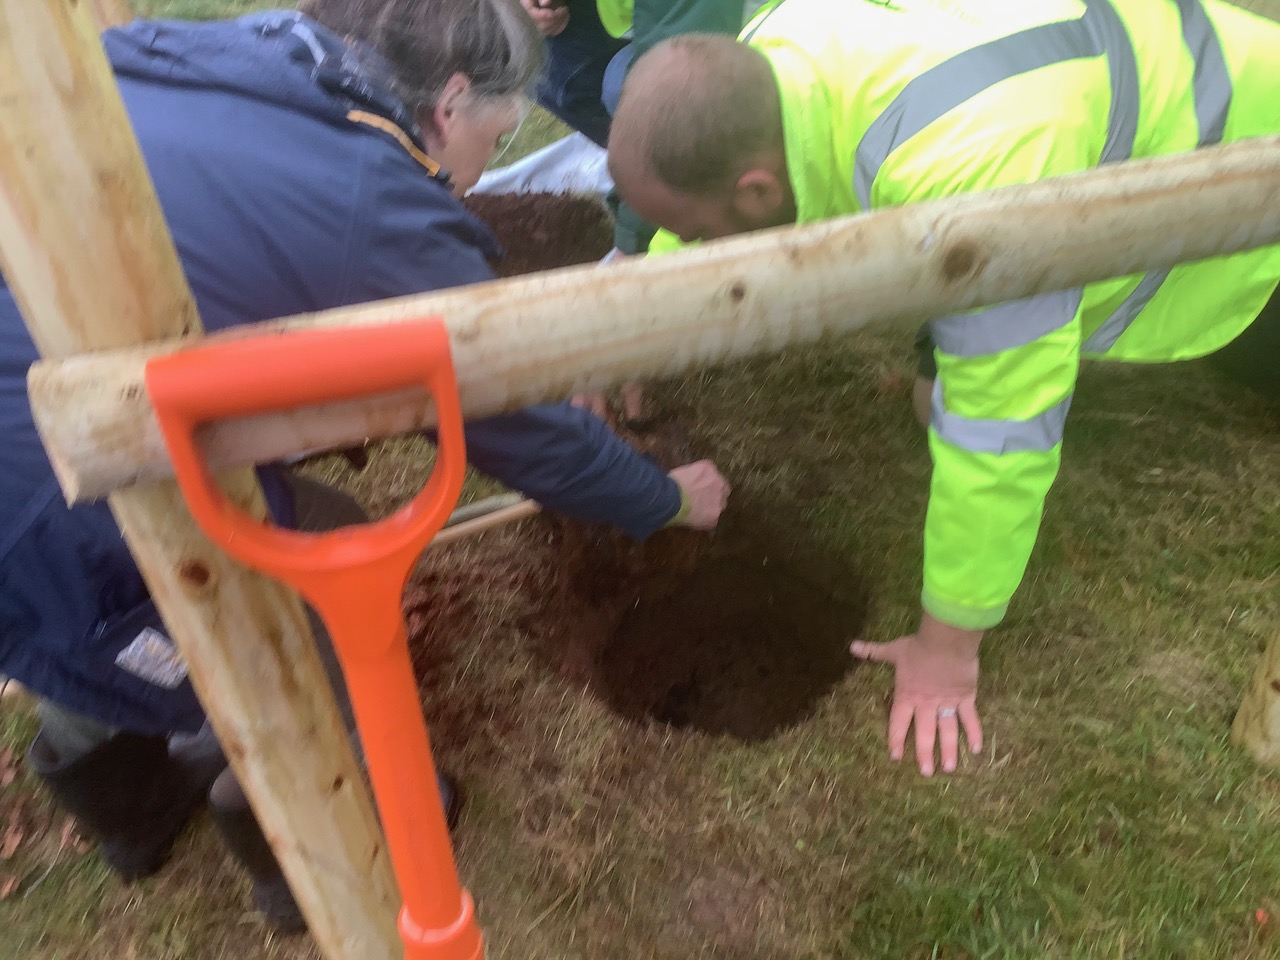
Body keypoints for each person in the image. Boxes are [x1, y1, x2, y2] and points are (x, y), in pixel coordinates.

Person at [0, 0, 729, 934]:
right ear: (451, 101)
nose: (478, 168)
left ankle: (130, 815)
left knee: (120, 618)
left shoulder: (246, 48)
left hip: (47, 369)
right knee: (270, 612)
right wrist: (663, 499)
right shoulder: (378, 212)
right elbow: (517, 421)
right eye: (497, 132)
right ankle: (314, 841)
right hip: (50, 498)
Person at [605, 0, 1280, 778]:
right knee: (934, 399)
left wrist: (946, 649)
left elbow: (1001, 428)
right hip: (1072, 122)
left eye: (693, 236)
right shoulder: (770, 57)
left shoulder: (977, 180)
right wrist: (634, 319)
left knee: (963, 402)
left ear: (755, 192)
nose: (685, 247)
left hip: (1242, 170)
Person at [518, 0, 750, 254]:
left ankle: (676, 180)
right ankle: (640, 172)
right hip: (659, 17)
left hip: (743, 25)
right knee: (519, 49)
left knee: (622, 87)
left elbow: (675, 90)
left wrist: (632, 239)